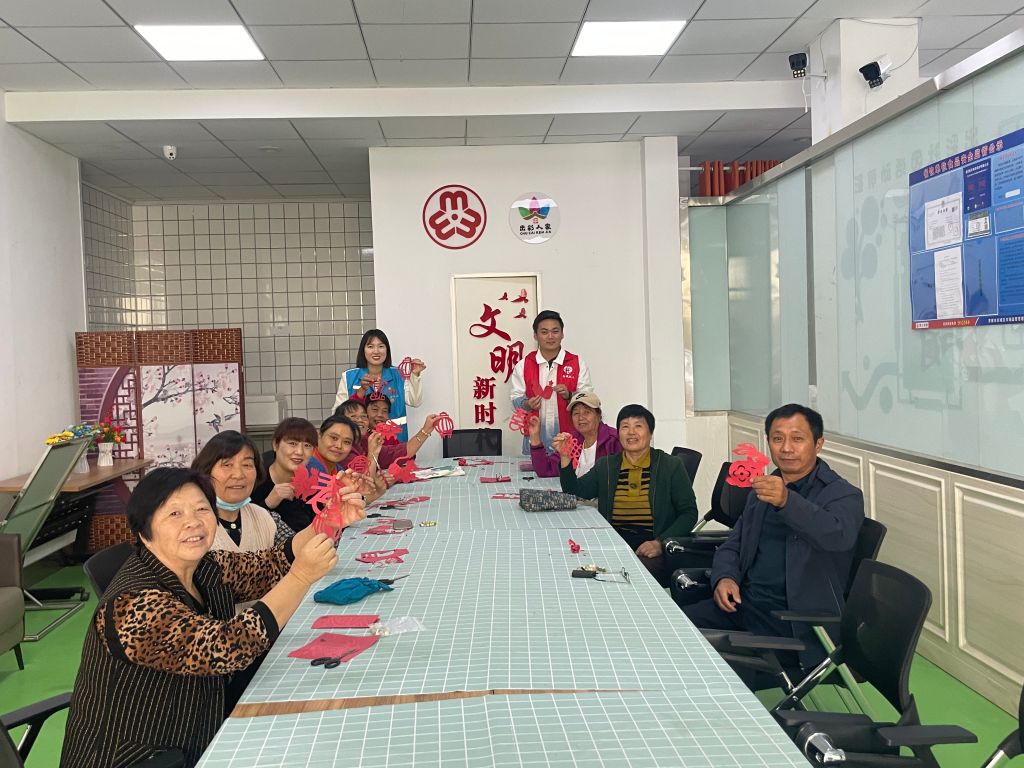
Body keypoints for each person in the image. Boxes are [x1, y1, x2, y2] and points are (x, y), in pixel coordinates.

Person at [60, 467, 363, 768]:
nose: (193, 522)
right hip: (140, 757)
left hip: (199, 730)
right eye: (174, 514)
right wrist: (301, 577)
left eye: (202, 509)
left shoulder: (204, 567)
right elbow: (227, 647)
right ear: (144, 530)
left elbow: (272, 564)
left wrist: (330, 518)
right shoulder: (133, 606)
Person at [681, 403, 864, 669]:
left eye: (797, 439)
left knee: (692, 653)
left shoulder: (842, 494)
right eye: (778, 439)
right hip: (744, 605)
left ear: (819, 444)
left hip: (793, 623)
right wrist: (725, 577)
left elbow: (837, 536)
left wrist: (787, 501)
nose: (786, 448)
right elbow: (734, 543)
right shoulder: (764, 489)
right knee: (667, 628)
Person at [558, 404, 696, 585]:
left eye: (638, 426)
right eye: (625, 427)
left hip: (650, 546)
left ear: (650, 432)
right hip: (614, 541)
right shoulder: (607, 465)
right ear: (618, 433)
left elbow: (689, 513)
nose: (631, 432)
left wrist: (660, 543)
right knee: (574, 566)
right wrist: (565, 458)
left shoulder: (670, 466)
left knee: (629, 576)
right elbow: (576, 490)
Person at [191, 431, 292, 552]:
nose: (238, 475)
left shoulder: (268, 519)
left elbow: (297, 550)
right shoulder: (190, 524)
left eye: (247, 465)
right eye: (227, 465)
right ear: (206, 471)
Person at [510, 310, 592, 451]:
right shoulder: (524, 365)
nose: (550, 337)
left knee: (570, 464)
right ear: (535, 335)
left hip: (570, 440)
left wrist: (569, 396)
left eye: (555, 331)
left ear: (562, 334)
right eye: (544, 332)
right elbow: (515, 399)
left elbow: (589, 399)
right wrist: (527, 404)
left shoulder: (577, 363)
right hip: (534, 439)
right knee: (534, 465)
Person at [335, 328, 425, 442]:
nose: (376, 351)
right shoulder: (349, 377)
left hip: (395, 442)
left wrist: (415, 376)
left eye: (381, 346)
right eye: (370, 346)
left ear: (387, 350)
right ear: (363, 350)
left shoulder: (399, 374)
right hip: (361, 443)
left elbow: (415, 402)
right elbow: (338, 413)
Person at [529, 391, 620, 477]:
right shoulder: (572, 440)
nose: (581, 417)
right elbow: (545, 469)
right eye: (576, 413)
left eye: (587, 412)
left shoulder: (615, 440)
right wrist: (535, 436)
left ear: (598, 416)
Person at [250, 417, 318, 533]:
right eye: (292, 443)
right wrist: (268, 503)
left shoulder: (309, 485)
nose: (300, 452)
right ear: (275, 445)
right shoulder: (255, 481)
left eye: (307, 445)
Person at [335, 398, 437, 470]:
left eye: (363, 416)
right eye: (353, 416)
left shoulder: (366, 441)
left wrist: (426, 429)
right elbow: (361, 481)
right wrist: (372, 453)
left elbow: (400, 452)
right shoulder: (341, 448)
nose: (360, 420)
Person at [308, 414, 387, 503]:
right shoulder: (310, 465)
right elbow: (331, 507)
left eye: (346, 442)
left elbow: (346, 503)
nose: (339, 445)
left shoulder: (338, 469)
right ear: (319, 436)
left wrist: (374, 494)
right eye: (334, 438)